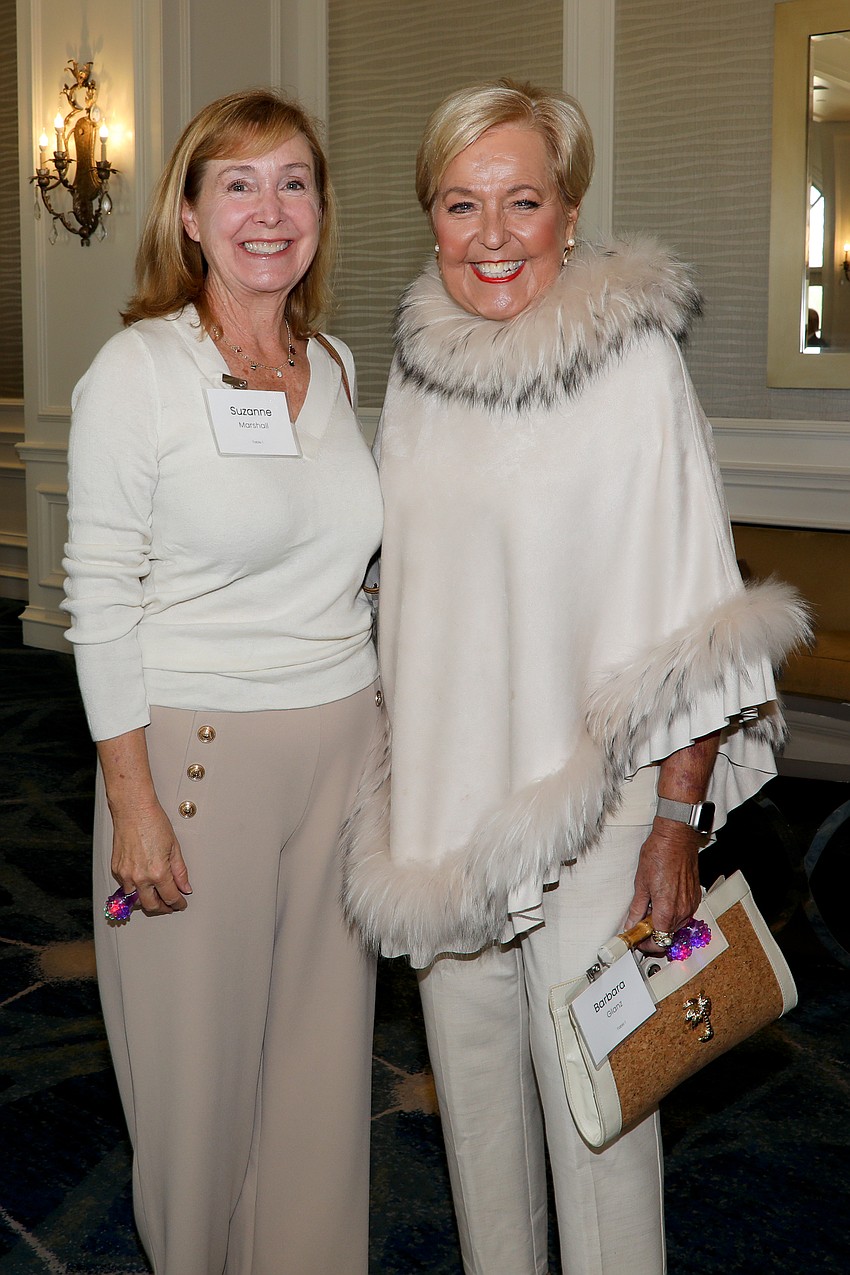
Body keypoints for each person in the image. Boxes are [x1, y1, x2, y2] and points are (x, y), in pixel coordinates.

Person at [342, 80, 809, 1274]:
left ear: (569, 208)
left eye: (521, 202)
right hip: (444, 815)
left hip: (595, 817)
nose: (490, 237)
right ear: (429, 215)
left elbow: (697, 616)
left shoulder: (630, 366)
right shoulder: (416, 362)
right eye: (460, 204)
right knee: (477, 1126)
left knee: (605, 1141)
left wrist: (673, 825)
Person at [62, 89, 382, 1275]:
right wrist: (131, 804)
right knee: (197, 1092)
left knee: (316, 1071)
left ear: (319, 213)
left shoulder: (338, 366)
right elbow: (96, 596)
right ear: (188, 216)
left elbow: (355, 569)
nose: (268, 209)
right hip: (193, 761)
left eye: (293, 181)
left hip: (342, 752)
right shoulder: (138, 372)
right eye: (236, 183)